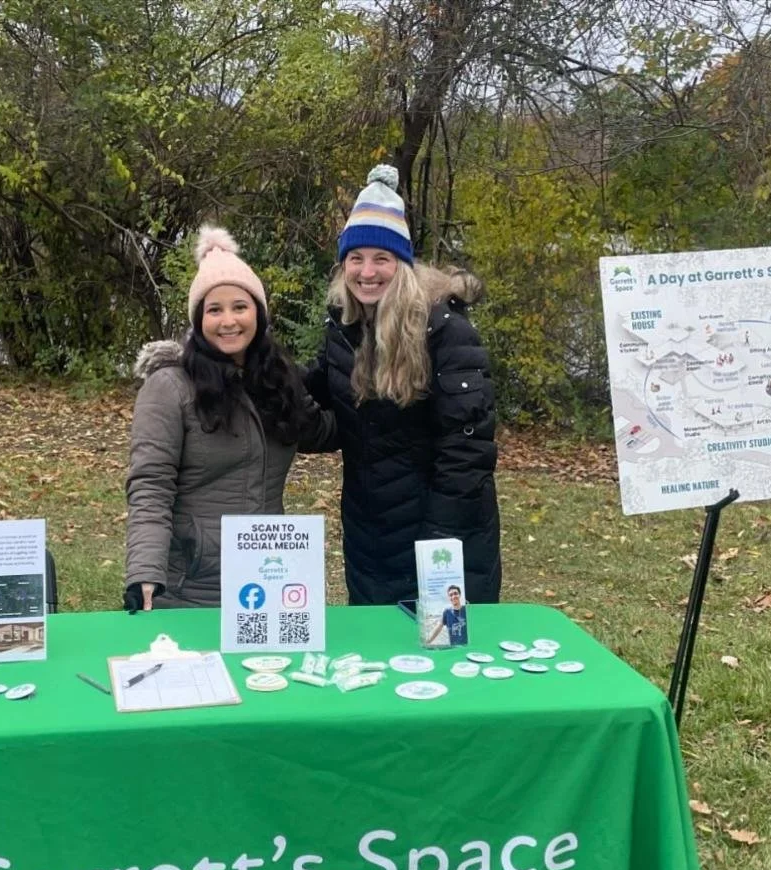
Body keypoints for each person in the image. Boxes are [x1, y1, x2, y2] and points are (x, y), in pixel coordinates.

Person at [306, 164, 501, 606]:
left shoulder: (446, 330)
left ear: (403, 264)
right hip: (369, 534)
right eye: (355, 258)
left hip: (444, 540)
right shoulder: (343, 324)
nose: (367, 272)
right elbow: (317, 401)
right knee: (376, 656)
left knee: (444, 664)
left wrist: (436, 548)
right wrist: (250, 369)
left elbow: (467, 452)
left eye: (382, 259)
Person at [125, 226, 334, 609]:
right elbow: (150, 486)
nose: (229, 321)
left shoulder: (278, 380)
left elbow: (321, 431)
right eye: (214, 309)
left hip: (269, 581)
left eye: (240, 307)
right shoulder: (169, 387)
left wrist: (370, 394)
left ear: (259, 312)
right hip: (191, 589)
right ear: (198, 319)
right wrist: (144, 573)